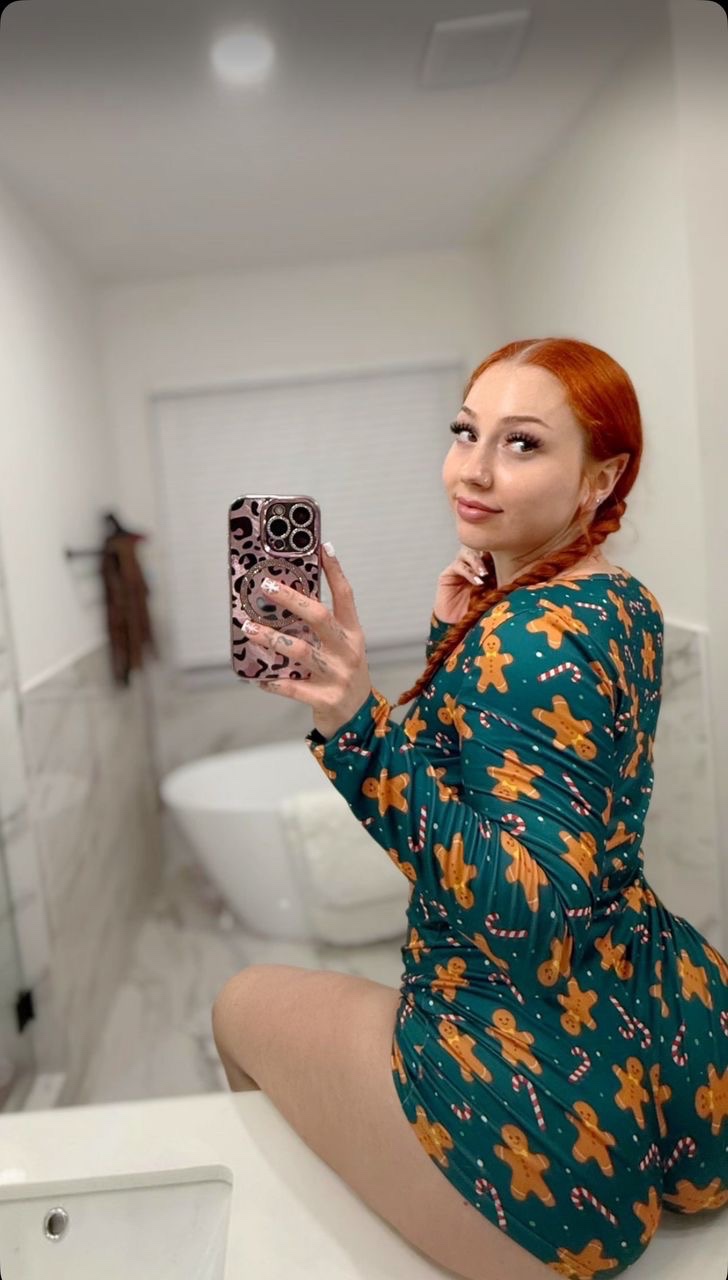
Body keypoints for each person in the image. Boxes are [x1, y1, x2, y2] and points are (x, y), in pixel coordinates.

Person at [212, 338, 728, 1280]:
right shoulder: (618, 599)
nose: (474, 470)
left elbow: (535, 921)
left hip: (539, 1115)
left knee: (239, 1005)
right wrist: (457, 635)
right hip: (676, 1039)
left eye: (522, 443)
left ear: (601, 477)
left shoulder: (528, 635)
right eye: (465, 431)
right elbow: (530, 780)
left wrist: (357, 725)